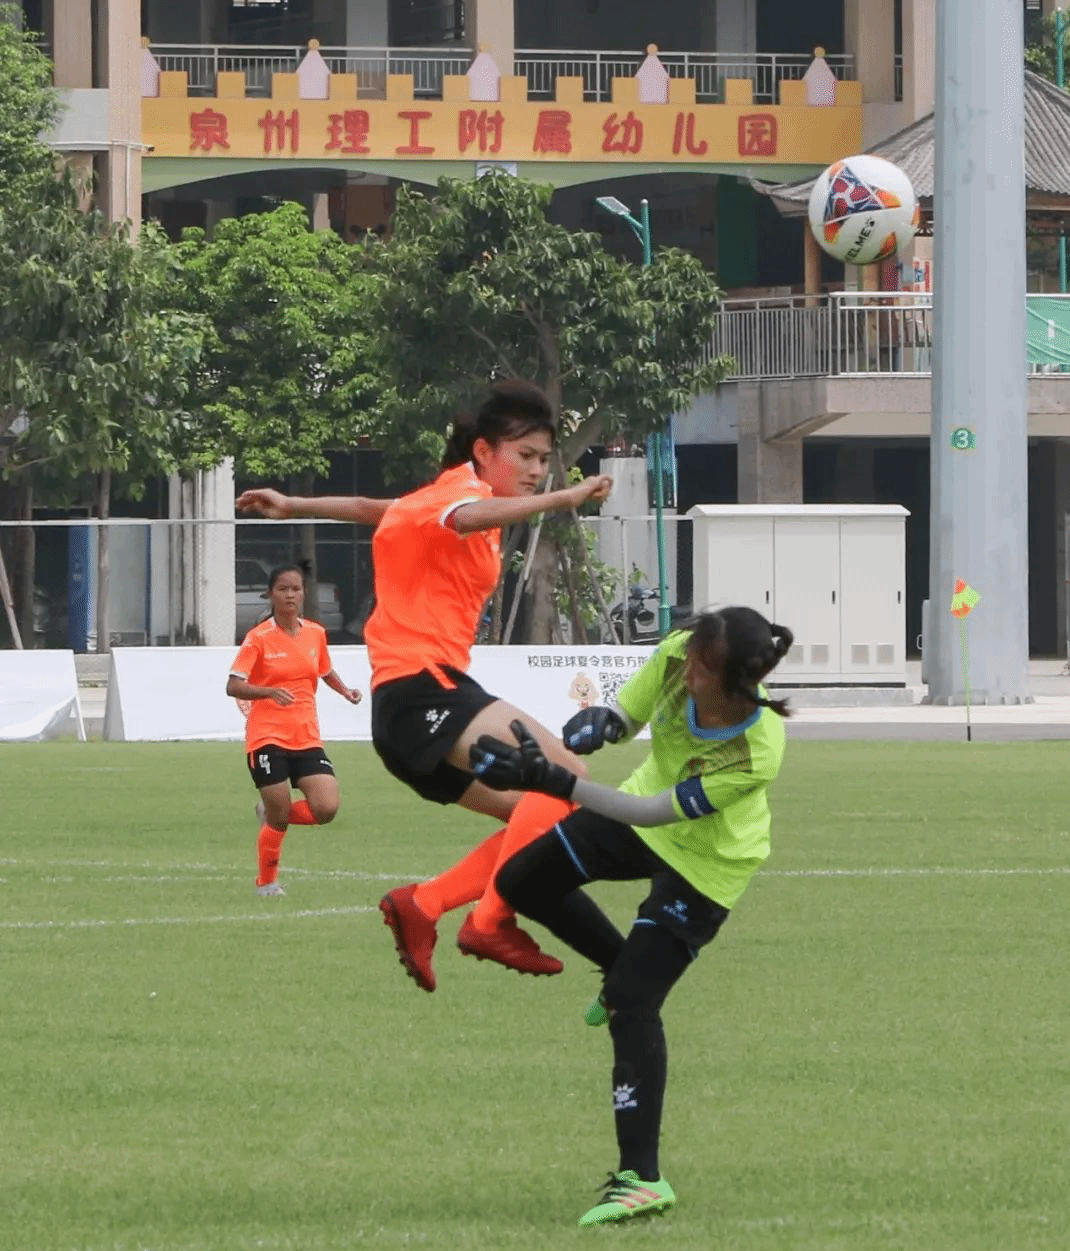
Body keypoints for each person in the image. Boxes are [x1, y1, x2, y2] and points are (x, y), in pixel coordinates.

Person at [236, 380, 613, 983]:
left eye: (545, 460)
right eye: (525, 456)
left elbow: (372, 508)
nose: (537, 470)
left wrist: (293, 503)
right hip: (425, 692)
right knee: (572, 782)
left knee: (546, 814)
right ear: (484, 452)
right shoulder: (465, 496)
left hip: (409, 713)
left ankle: (427, 904)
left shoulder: (436, 498)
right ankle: (489, 921)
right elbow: (466, 516)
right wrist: (563, 498)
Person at [468, 606, 794, 1228]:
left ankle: (642, 1179)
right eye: (690, 658)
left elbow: (650, 813)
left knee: (632, 1004)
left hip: (707, 862)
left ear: (735, 684)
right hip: (640, 809)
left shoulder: (756, 750)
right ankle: (622, 971)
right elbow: (626, 717)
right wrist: (601, 722)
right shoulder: (678, 655)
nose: (687, 672)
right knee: (521, 880)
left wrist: (551, 780)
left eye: (702, 669)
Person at [226, 561, 363, 896]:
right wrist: (268, 692)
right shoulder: (258, 638)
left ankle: (271, 812)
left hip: (306, 736)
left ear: (303, 593)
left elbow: (324, 669)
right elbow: (233, 685)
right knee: (280, 816)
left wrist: (345, 690)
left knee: (326, 809)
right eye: (283, 589)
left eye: (296, 589)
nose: (290, 595)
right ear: (270, 595)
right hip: (267, 737)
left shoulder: (315, 633)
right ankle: (267, 882)